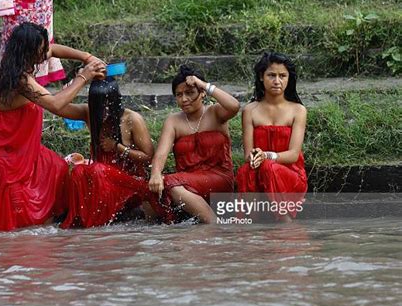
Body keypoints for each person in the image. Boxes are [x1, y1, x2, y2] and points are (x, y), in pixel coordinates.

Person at [0, 22, 105, 231]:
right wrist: (84, 76)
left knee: (57, 168)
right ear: (27, 51)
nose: (45, 53)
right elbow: (54, 104)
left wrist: (86, 56)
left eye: (44, 48)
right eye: (40, 50)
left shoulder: (20, 61)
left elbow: (54, 49)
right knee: (14, 205)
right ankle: (18, 249)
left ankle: (45, 227)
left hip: (20, 145)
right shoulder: (20, 79)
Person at [148, 65, 241, 224]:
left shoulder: (216, 113)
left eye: (189, 93)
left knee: (170, 183)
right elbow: (161, 153)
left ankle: (214, 225)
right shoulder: (173, 121)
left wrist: (203, 84)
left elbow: (234, 106)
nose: (184, 99)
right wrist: (155, 173)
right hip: (187, 184)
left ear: (202, 93)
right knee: (152, 189)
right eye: (179, 95)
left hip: (219, 177)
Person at [60, 78, 155, 228]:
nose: (103, 111)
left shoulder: (132, 119)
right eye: (98, 106)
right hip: (101, 185)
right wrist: (79, 81)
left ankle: (94, 223)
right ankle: (82, 223)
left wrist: (118, 147)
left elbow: (149, 157)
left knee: (98, 169)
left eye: (107, 105)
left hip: (130, 185)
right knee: (78, 171)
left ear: (116, 101)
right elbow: (57, 106)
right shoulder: (89, 114)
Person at [236, 52, 308, 222]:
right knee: (245, 170)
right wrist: (255, 158)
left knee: (269, 166)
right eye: (271, 75)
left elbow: (293, 155)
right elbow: (248, 155)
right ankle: (248, 226)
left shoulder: (298, 110)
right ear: (261, 77)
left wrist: (266, 156)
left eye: (282, 76)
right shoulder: (250, 110)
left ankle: (286, 223)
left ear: (289, 78)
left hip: (291, 174)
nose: (277, 81)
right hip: (259, 170)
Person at [0, 0, 81, 85]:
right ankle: (18, 79)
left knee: (39, 37)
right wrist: (82, 79)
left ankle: (34, 81)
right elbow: (54, 102)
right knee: (20, 40)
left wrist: (86, 57)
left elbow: (50, 49)